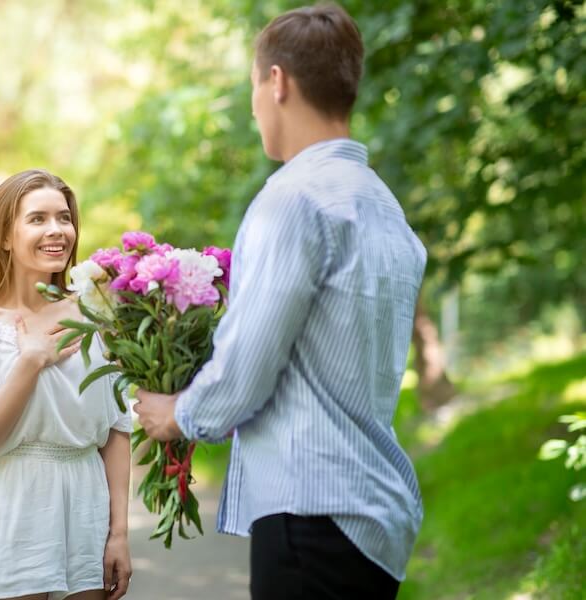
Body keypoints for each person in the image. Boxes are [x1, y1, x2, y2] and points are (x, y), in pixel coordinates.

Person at [133, 4, 426, 599]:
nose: (252, 108)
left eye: (252, 87)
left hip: (311, 513)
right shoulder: (384, 209)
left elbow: (248, 366)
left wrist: (177, 414)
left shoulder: (293, 200)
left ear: (277, 81)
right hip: (373, 520)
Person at [0, 169, 133, 600]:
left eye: (64, 218)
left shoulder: (101, 316)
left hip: (87, 515)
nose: (56, 231)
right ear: (6, 236)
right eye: (37, 219)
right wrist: (30, 361)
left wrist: (118, 533)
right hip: (14, 516)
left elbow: (117, 432)